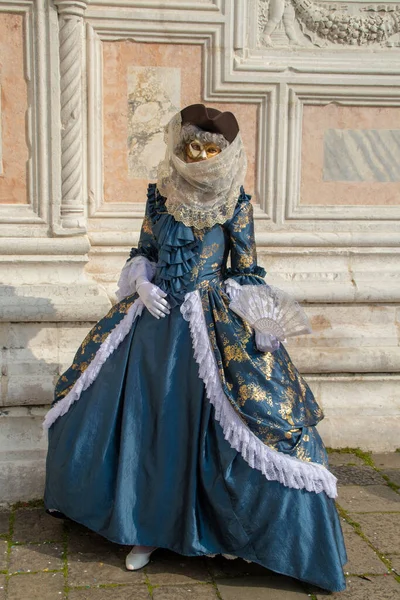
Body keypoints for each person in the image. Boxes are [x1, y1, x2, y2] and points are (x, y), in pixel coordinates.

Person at [44, 104, 347, 592]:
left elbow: (245, 268)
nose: (201, 156)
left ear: (223, 154)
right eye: (194, 147)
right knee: (142, 422)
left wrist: (258, 316)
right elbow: (143, 249)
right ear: (180, 148)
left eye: (211, 149)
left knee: (222, 420)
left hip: (210, 327)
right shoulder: (160, 195)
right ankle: (142, 528)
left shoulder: (237, 202)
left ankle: (222, 528)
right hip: (153, 326)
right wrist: (141, 283)